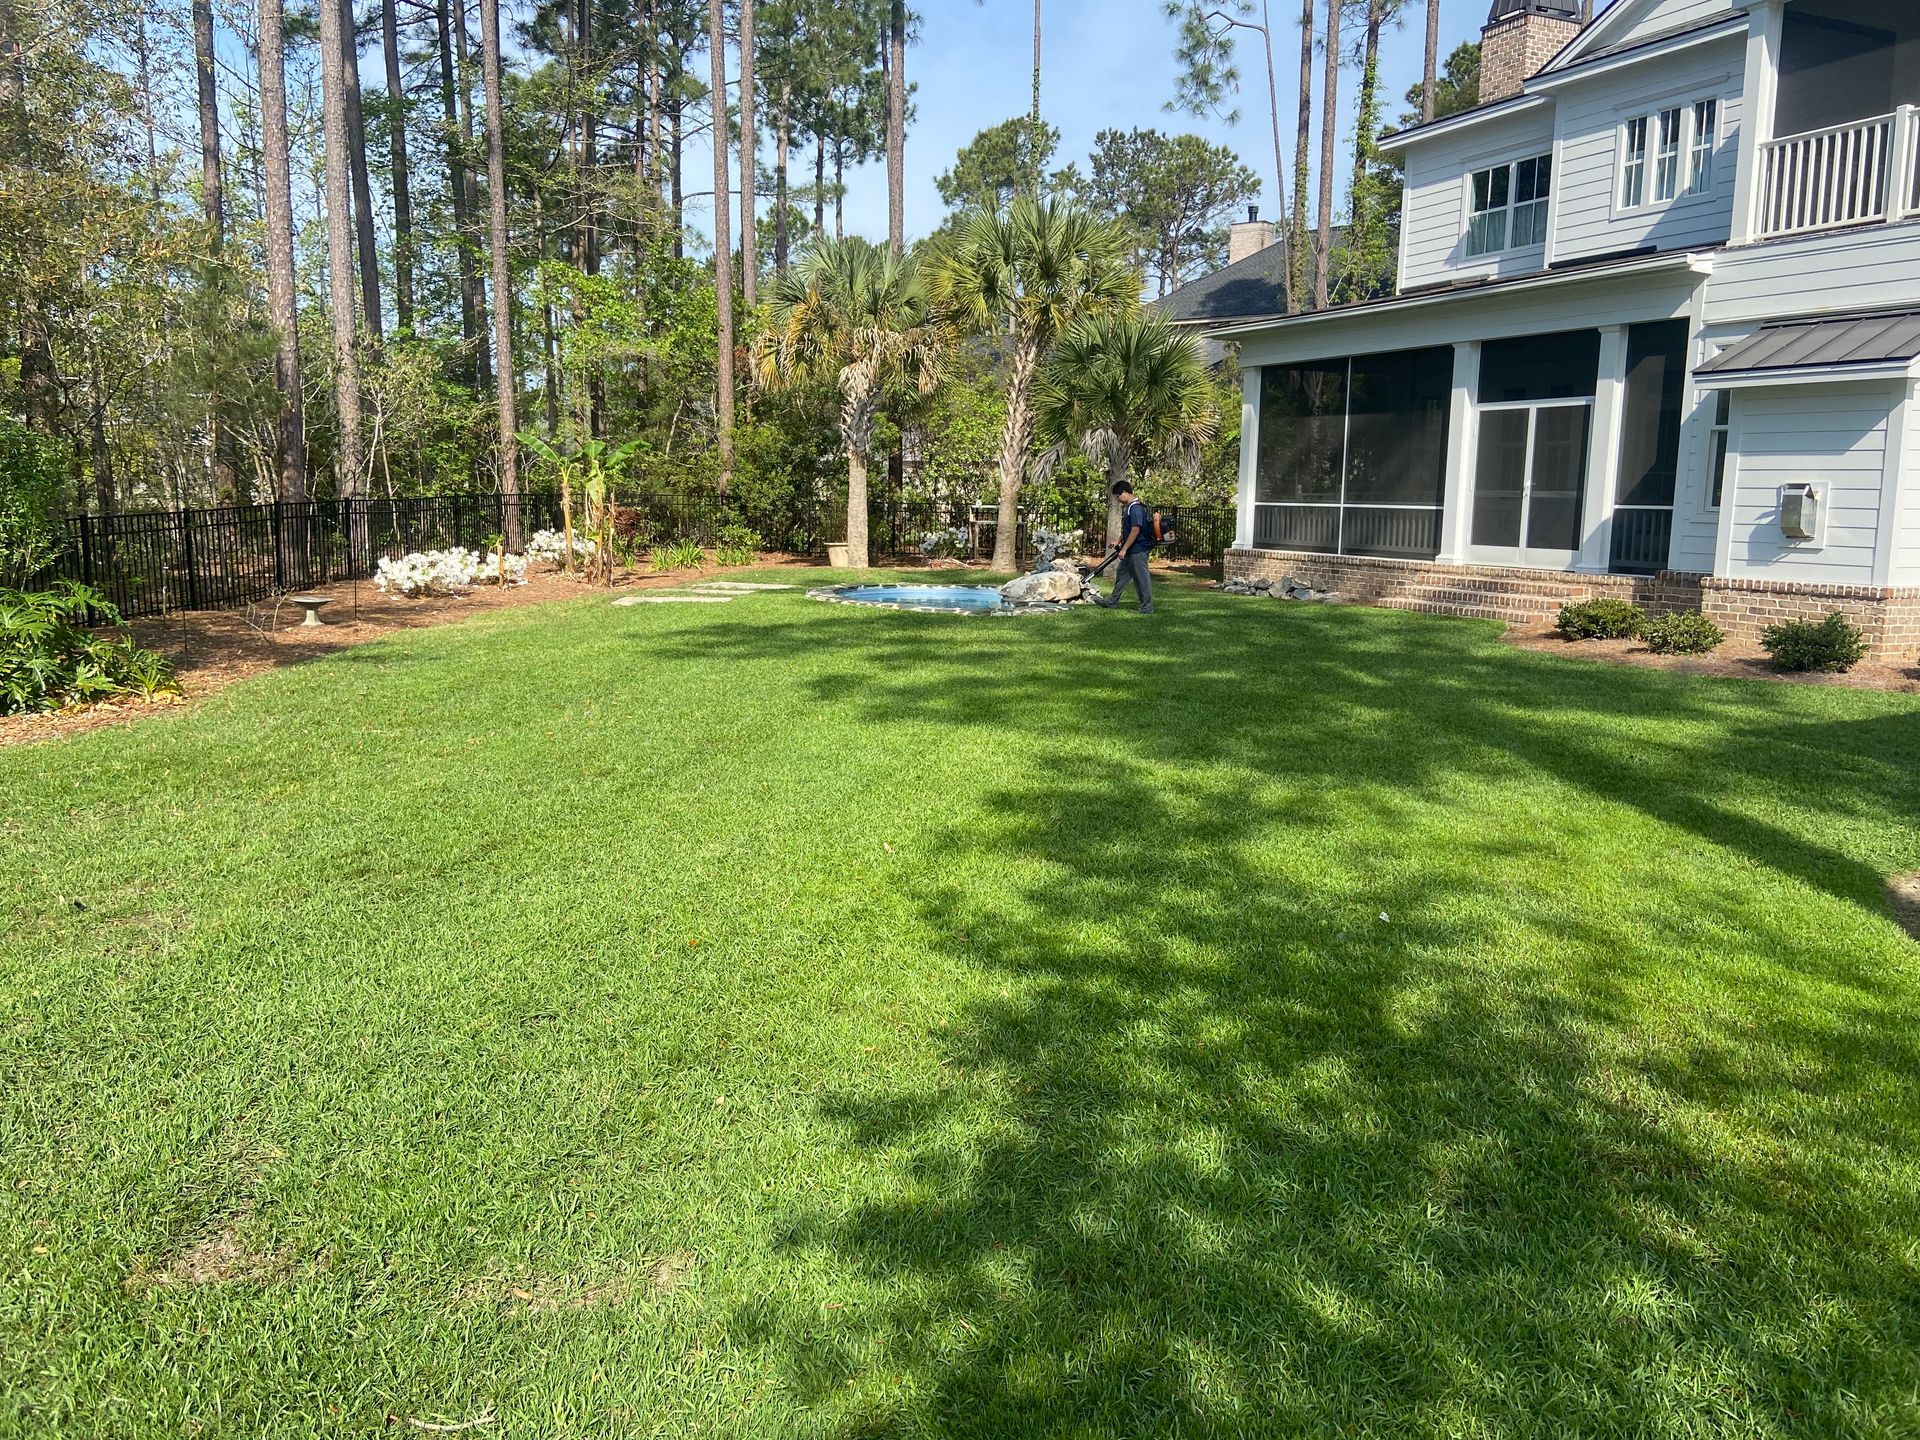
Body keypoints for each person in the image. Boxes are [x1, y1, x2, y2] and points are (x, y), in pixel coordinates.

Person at [1093, 480, 1156, 615]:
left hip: (1138, 549)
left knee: (1141, 578)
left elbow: (1135, 530)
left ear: (1125, 493)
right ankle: (1112, 601)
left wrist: (1124, 549)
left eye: (1117, 496)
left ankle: (1147, 607)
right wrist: (1119, 540)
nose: (1117, 499)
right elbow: (1128, 529)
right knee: (1122, 576)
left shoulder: (1136, 508)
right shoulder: (1129, 508)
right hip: (1131, 549)